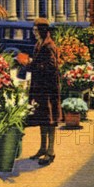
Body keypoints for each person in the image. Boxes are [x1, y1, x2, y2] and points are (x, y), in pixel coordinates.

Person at [19, 18, 61, 166]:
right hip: (41, 87)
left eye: (36, 30)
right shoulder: (40, 44)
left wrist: (29, 64)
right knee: (43, 118)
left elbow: (51, 67)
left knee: (50, 120)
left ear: (43, 30)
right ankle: (43, 148)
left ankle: (51, 151)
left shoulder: (49, 46)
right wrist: (30, 64)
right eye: (34, 30)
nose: (34, 33)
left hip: (48, 88)